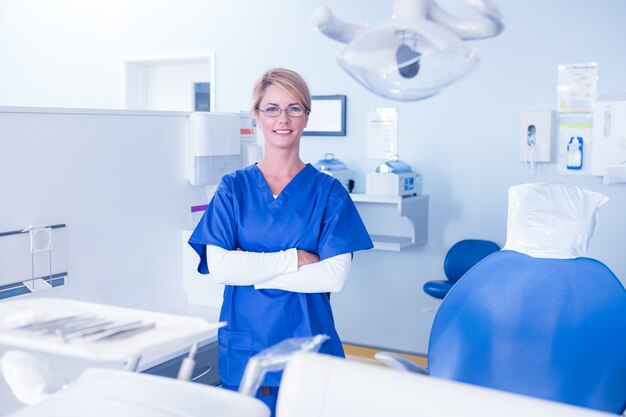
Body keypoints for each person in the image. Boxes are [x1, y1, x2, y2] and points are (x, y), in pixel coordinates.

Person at [188, 67, 373, 415]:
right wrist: (296, 258)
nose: (282, 118)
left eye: (294, 108)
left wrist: (251, 270)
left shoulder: (328, 192)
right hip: (248, 346)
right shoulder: (233, 188)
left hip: (309, 345)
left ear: (306, 117)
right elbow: (221, 268)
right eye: (271, 108)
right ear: (257, 116)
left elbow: (333, 276)